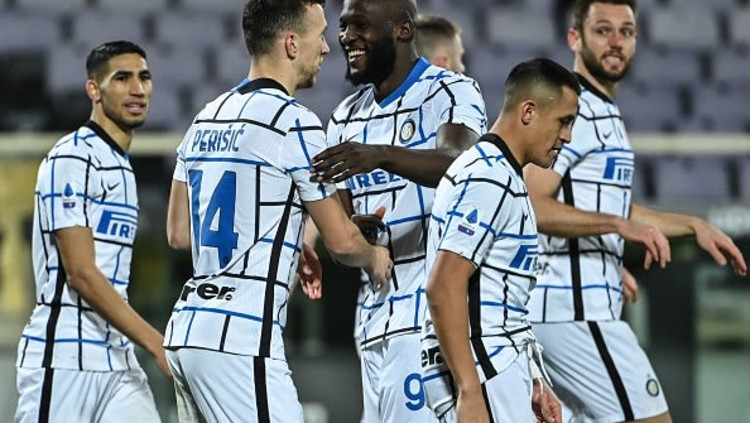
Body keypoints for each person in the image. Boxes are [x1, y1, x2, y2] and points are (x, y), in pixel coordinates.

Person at [162, 0, 393, 421]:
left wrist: (282, 240)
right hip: (240, 340)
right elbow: (343, 243)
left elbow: (179, 232)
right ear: (291, 43)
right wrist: (375, 257)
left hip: (187, 333)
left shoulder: (205, 119)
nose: (327, 47)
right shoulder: (295, 122)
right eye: (319, 35)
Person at [524, 1, 748, 423]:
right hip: (573, 313)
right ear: (575, 38)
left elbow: (606, 207)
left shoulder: (603, 110)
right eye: (602, 30)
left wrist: (692, 225)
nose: (616, 42)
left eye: (626, 32)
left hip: (578, 309)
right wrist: (615, 228)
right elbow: (531, 204)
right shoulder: (573, 110)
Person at [309, 0, 487, 421]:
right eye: (343, 26)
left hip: (427, 320)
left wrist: (381, 155)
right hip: (372, 322)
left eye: (360, 25)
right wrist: (354, 233)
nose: (346, 37)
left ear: (403, 30)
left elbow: (460, 162)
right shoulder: (344, 118)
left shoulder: (450, 90)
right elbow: (342, 238)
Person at [15, 40, 167, 422]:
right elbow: (81, 273)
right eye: (122, 78)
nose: (138, 89)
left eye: (144, 77)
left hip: (116, 359)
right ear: (94, 90)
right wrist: (156, 342)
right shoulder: (72, 157)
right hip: (65, 359)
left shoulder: (122, 166)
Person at [421, 57, 578, 423]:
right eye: (564, 121)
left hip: (495, 366)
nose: (568, 136)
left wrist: (534, 380)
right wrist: (470, 390)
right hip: (484, 368)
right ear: (528, 112)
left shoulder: (497, 172)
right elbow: (443, 285)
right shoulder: (489, 177)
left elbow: (500, 297)